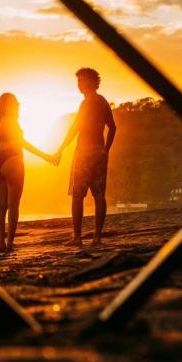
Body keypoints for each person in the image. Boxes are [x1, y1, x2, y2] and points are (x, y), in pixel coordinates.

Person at [54, 68, 116, 247]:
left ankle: (77, 237)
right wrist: (106, 150)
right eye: (78, 81)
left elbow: (75, 128)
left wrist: (60, 149)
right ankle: (97, 238)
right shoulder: (103, 101)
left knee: (77, 195)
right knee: (99, 195)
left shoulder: (87, 103)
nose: (79, 84)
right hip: (99, 152)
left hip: (85, 152)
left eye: (82, 81)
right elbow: (112, 127)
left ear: (92, 82)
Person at [0, 93, 56, 253]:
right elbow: (23, 143)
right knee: (13, 206)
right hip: (13, 161)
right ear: (11, 105)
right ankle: (10, 245)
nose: (18, 104)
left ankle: (1, 244)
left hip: (0, 163)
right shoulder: (11, 120)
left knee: (1, 206)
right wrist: (45, 156)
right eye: (15, 102)